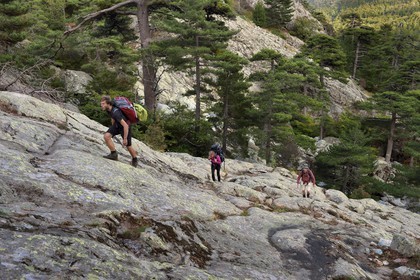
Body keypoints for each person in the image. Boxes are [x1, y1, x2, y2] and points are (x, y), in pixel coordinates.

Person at [100, 96, 138, 167]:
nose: (101, 106)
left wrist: (125, 139)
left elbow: (125, 126)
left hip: (125, 127)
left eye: (103, 104)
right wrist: (112, 128)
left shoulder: (116, 112)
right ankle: (114, 154)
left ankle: (135, 159)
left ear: (108, 104)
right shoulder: (109, 109)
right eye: (101, 104)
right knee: (107, 136)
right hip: (117, 125)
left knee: (128, 146)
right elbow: (112, 118)